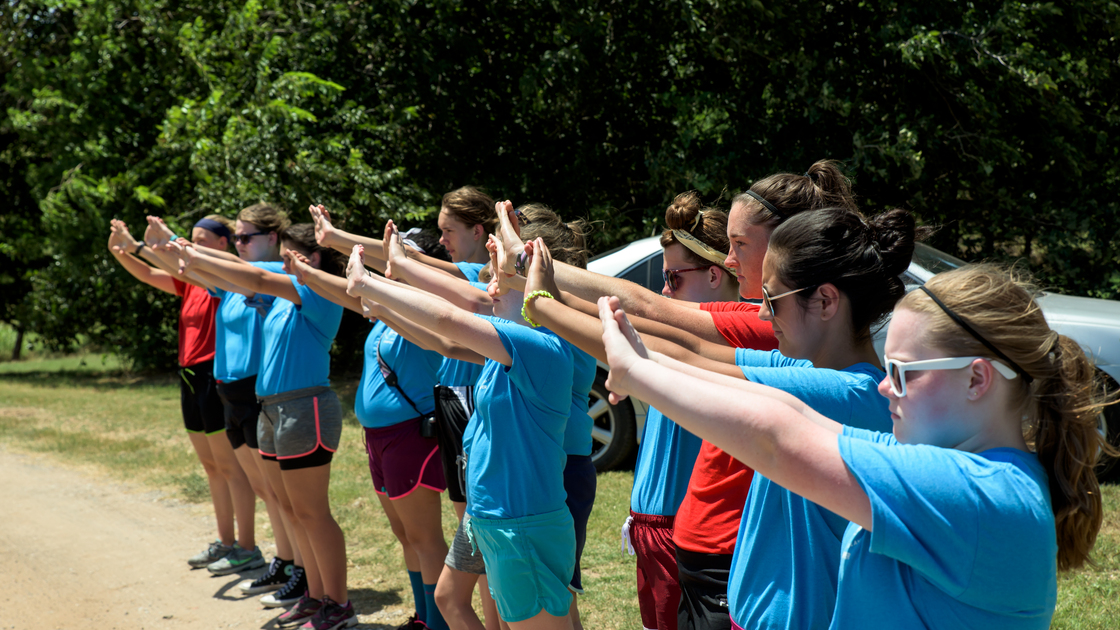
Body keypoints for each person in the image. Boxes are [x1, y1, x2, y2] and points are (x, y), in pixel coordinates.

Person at [597, 262, 1110, 629]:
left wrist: (639, 373)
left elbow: (778, 439)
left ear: (977, 379)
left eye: (903, 374)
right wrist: (645, 364)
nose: (885, 388)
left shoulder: (980, 492)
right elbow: (793, 416)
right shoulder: (959, 471)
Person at [345, 225, 585, 630]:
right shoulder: (505, 348)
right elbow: (457, 311)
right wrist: (401, 265)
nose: (488, 288)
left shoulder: (539, 346)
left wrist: (367, 282)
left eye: (498, 278)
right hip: (490, 514)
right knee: (449, 599)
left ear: (534, 288)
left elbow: (448, 316)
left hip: (519, 522)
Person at [176, 222, 354, 629]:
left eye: (293, 256)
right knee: (293, 508)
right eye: (284, 256)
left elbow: (254, 276)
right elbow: (239, 281)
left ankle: (338, 604)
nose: (285, 263)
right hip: (273, 409)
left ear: (315, 259)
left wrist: (198, 254)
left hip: (303, 407)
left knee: (312, 512)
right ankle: (315, 594)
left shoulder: (318, 290)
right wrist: (188, 258)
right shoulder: (283, 298)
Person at [145, 206, 301, 597]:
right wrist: (159, 247)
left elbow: (223, 266)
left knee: (278, 491)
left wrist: (179, 248)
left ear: (271, 238)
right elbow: (191, 271)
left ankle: (299, 566)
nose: (240, 244)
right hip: (230, 391)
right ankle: (285, 561)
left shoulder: (270, 276)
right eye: (239, 237)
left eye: (246, 237)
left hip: (257, 391)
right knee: (266, 490)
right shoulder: (232, 283)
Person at [106, 216, 261, 572]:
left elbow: (176, 260)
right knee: (211, 467)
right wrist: (122, 251)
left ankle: (248, 547)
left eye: (201, 239)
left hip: (212, 373)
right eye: (191, 239)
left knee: (230, 467)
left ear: (224, 243)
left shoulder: (221, 278)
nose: (193, 245)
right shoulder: (190, 282)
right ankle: (225, 542)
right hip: (189, 374)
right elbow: (149, 274)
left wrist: (145, 246)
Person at [311, 185, 496, 282]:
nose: (442, 239)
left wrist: (337, 236)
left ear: (476, 231)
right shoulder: (467, 273)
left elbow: (412, 257)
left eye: (449, 231)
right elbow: (392, 266)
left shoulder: (482, 274)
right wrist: (332, 242)